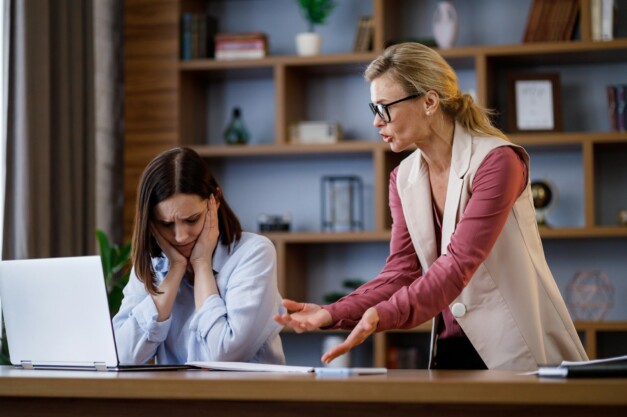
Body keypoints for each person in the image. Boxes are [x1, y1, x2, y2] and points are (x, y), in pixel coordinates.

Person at [275, 42, 588, 371]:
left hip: (518, 350)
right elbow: (401, 273)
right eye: (373, 109)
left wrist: (383, 314)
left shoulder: (498, 162)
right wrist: (332, 313)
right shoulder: (402, 177)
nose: (376, 122)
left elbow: (457, 265)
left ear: (429, 102)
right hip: (449, 350)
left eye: (384, 108)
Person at [113, 147, 285, 365]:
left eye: (192, 219)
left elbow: (223, 354)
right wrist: (175, 269)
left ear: (215, 200)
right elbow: (122, 357)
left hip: (242, 398)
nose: (181, 236)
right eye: (166, 224)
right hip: (174, 397)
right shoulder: (152, 264)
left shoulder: (254, 253)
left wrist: (202, 264)